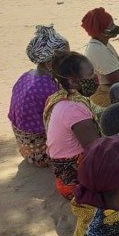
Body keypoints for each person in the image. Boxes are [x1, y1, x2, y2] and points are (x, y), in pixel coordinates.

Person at [9, 25, 69, 167]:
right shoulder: (51, 86)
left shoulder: (27, 76)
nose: (69, 59)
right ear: (49, 63)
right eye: (66, 56)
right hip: (40, 151)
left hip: (25, 146)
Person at [44, 52, 102, 199]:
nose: (95, 77)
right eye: (90, 74)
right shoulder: (74, 109)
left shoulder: (60, 96)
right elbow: (97, 150)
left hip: (64, 174)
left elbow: (99, 114)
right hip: (75, 185)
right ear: (73, 81)